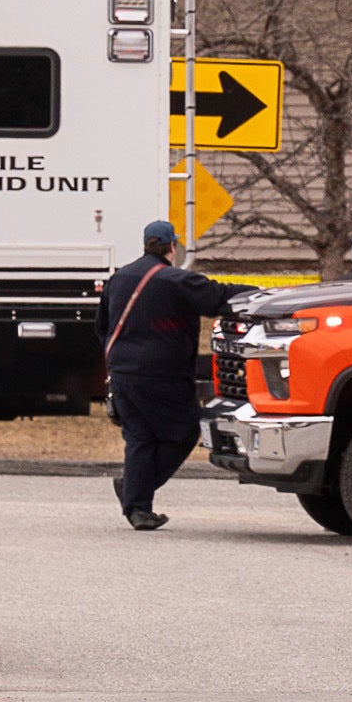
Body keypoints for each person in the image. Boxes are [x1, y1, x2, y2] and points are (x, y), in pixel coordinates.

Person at [98, 220, 237, 530]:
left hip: (122, 374)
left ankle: (137, 507)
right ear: (172, 247)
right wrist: (267, 296)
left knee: (140, 438)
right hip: (163, 376)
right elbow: (220, 297)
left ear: (146, 244)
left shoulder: (118, 279)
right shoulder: (177, 280)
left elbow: (102, 327)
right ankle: (134, 490)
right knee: (186, 430)